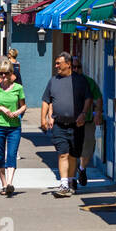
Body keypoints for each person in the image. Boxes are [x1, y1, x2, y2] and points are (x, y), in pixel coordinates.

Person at [41, 51, 92, 197]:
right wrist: (43, 119)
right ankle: (63, 184)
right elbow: (46, 100)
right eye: (56, 63)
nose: (56, 66)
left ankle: (70, 181)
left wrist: (83, 113)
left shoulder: (80, 81)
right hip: (59, 124)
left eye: (59, 63)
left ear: (68, 64)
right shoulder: (53, 81)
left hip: (77, 125)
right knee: (62, 153)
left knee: (73, 155)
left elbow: (88, 99)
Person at [0, 60, 27, 196]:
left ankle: (9, 183)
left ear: (11, 73)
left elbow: (23, 105)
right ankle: (3, 184)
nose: (3, 76)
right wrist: (2, 108)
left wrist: (18, 112)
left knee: (11, 154)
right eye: (1, 73)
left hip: (14, 127)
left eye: (6, 73)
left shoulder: (18, 88)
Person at [71, 56, 102, 188]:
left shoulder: (88, 82)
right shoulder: (64, 82)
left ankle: (82, 169)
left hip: (87, 121)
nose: (76, 69)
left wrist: (98, 113)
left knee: (87, 149)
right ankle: (71, 178)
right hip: (70, 123)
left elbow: (98, 98)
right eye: (74, 67)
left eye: (78, 67)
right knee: (71, 150)